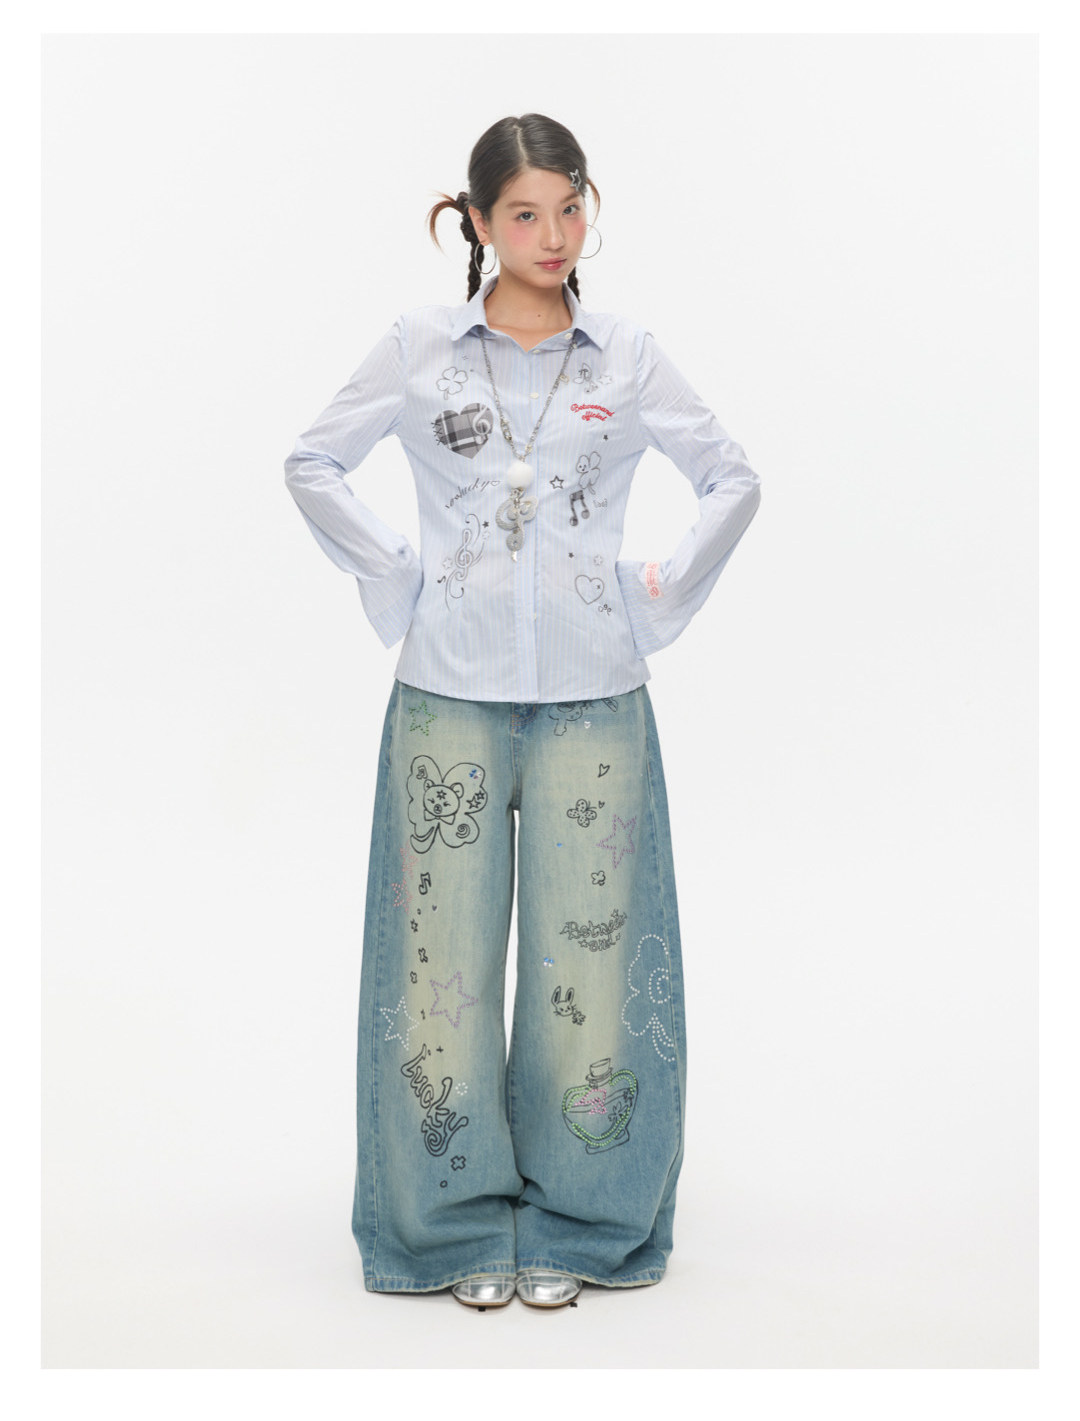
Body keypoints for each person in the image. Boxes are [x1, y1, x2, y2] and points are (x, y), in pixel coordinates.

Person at [283, 113, 761, 1310]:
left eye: (570, 206)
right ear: (478, 222)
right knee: (436, 968)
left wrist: (652, 596)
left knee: (589, 964)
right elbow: (313, 462)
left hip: (596, 700)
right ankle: (443, 1225)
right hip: (446, 694)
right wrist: (399, 580)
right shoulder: (419, 348)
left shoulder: (627, 356)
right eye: (525, 214)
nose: (554, 234)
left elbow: (732, 478)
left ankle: (583, 1217)